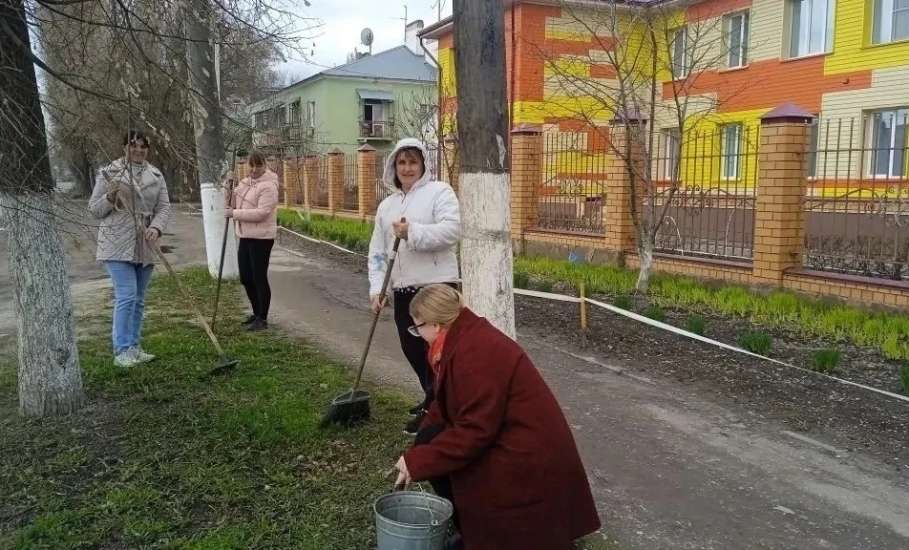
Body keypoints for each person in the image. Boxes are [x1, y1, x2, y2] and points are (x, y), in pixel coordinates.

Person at [392, 285, 601, 550]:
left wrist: (420, 461)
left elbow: (475, 431)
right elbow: (442, 402)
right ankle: (472, 530)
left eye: (416, 328)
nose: (417, 334)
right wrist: (421, 445)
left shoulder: (475, 352)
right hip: (507, 433)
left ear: (434, 324)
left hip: (527, 453)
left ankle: (506, 537)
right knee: (429, 442)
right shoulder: (456, 341)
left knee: (450, 464)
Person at [368, 138, 461, 436]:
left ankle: (437, 411)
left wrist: (413, 232)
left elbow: (452, 231)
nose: (407, 168)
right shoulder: (387, 206)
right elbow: (378, 251)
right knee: (413, 351)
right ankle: (432, 399)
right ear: (393, 166)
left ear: (423, 165)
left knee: (438, 353)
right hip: (403, 288)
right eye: (401, 162)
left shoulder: (439, 193)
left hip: (435, 288)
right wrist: (376, 288)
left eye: (413, 162)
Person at [89, 129, 171, 368]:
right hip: (116, 241)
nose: (138, 150)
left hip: (145, 241)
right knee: (126, 295)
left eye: (143, 146)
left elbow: (164, 207)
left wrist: (156, 228)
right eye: (133, 145)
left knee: (139, 298)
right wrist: (109, 197)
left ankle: (134, 346)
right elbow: (94, 210)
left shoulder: (156, 174)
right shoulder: (109, 173)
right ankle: (121, 350)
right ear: (124, 147)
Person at [225, 151, 279, 331]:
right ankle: (256, 313)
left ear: (265, 165)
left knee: (258, 277)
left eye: (259, 165)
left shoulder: (269, 186)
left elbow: (262, 213)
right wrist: (229, 186)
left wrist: (234, 214)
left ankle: (262, 318)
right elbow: (231, 203)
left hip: (262, 238)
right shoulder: (244, 183)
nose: (255, 169)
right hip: (245, 236)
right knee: (246, 278)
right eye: (252, 165)